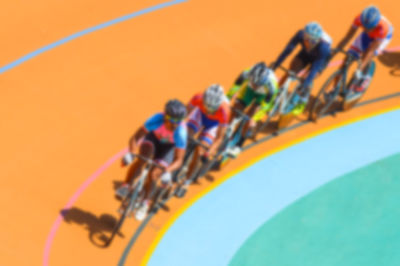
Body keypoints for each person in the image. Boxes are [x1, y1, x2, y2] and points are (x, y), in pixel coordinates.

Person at [116, 99, 188, 221]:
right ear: (165, 116)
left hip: (168, 149)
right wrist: (132, 153)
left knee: (154, 174)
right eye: (172, 120)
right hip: (153, 140)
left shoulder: (181, 132)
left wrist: (168, 171)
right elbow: (135, 137)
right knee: (142, 160)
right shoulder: (156, 119)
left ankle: (146, 202)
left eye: (178, 121)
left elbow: (179, 160)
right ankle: (126, 185)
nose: (175, 125)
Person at [176, 84, 231, 196]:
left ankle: (186, 181)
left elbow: (219, 137)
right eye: (206, 106)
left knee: (200, 150)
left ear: (219, 104)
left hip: (214, 125)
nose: (209, 110)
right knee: (185, 135)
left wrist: (210, 150)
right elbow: (184, 115)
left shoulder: (225, 111)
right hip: (200, 116)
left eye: (212, 108)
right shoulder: (198, 98)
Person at [272, 22, 332, 112]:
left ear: (316, 40)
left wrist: (306, 83)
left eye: (310, 41)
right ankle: (276, 95)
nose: (307, 43)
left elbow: (315, 68)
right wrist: (276, 64)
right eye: (306, 40)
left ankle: (303, 98)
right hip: (306, 54)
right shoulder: (300, 35)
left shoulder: (324, 48)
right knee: (290, 71)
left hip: (320, 58)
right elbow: (288, 50)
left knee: (307, 78)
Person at [335, 5, 393, 92]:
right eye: (364, 26)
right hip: (369, 35)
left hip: (383, 37)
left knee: (367, 55)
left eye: (368, 28)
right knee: (348, 58)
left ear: (375, 24)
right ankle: (334, 88)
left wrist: (359, 69)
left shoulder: (383, 29)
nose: (365, 29)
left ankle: (365, 77)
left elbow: (371, 50)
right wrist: (336, 50)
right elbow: (347, 37)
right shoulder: (359, 19)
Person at [226, 61, 278, 156]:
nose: (255, 86)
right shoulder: (246, 73)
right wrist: (227, 99)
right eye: (253, 83)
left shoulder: (272, 87)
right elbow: (235, 87)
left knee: (250, 118)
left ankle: (238, 146)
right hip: (248, 91)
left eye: (258, 85)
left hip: (263, 96)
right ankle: (227, 130)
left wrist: (254, 119)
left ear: (264, 82)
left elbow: (266, 106)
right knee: (235, 109)